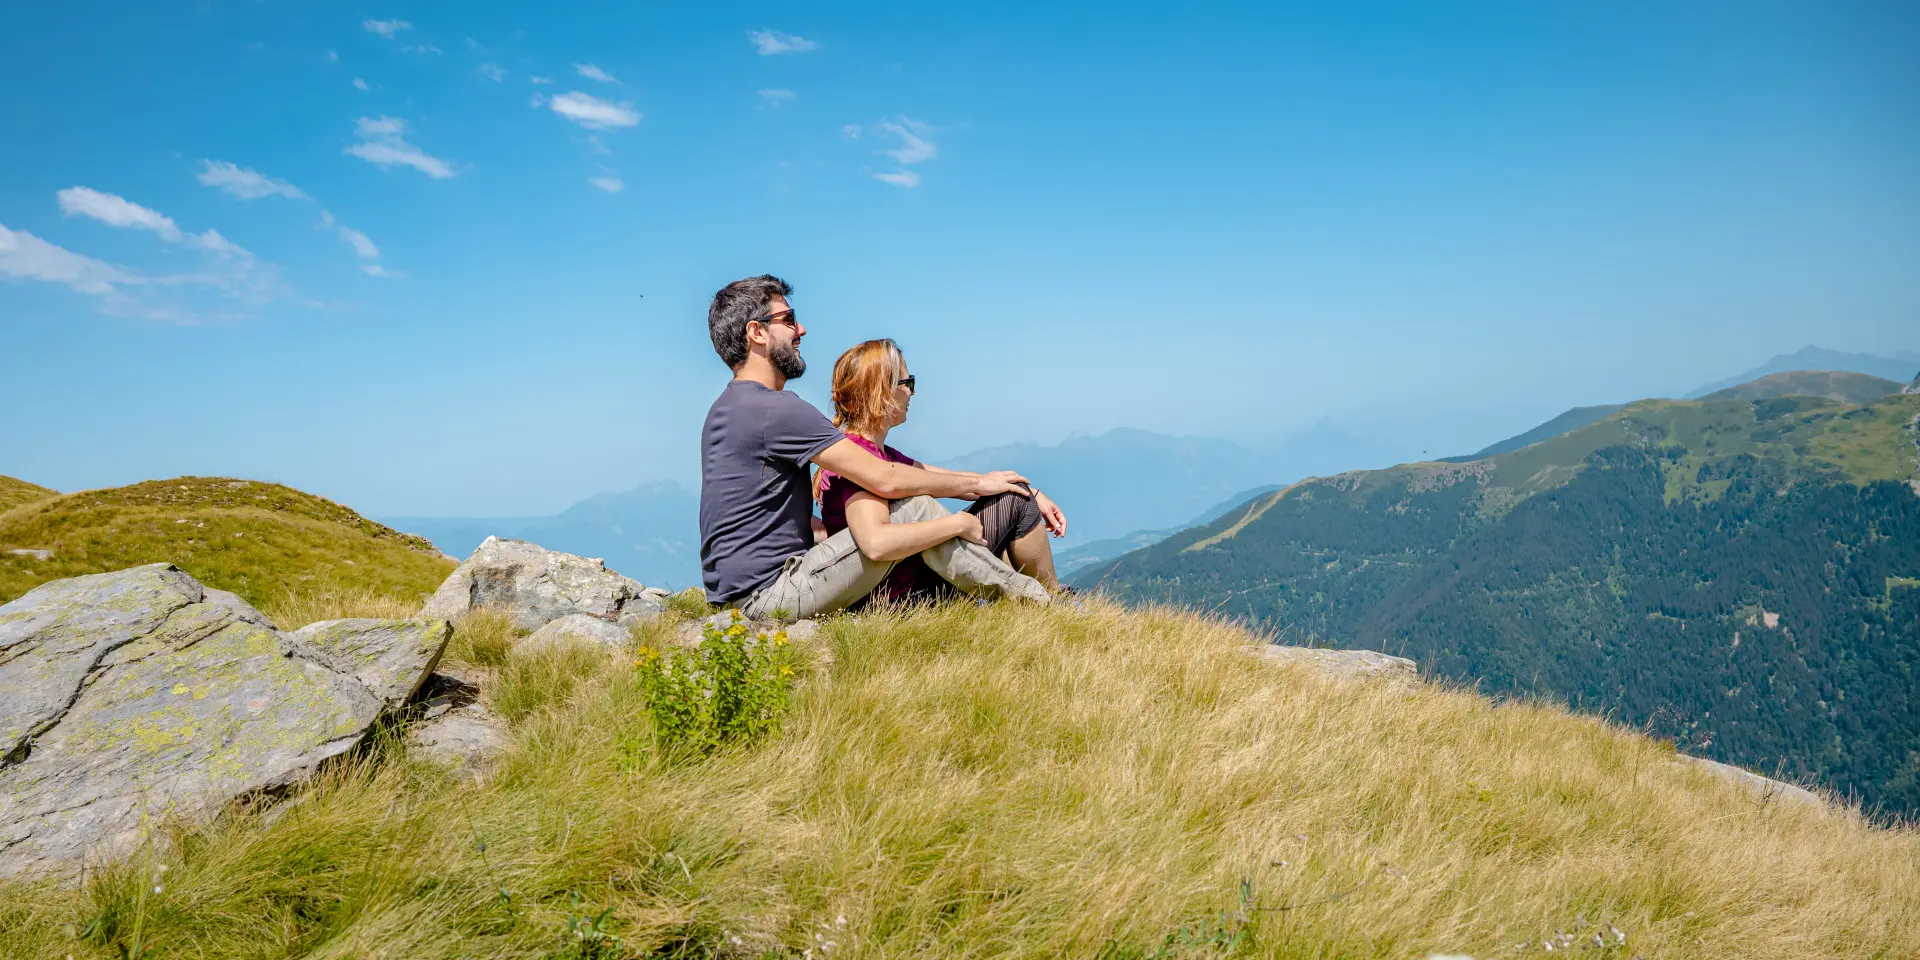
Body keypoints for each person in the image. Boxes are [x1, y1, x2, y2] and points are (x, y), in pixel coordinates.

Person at [698, 274, 1052, 621]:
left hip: (737, 596)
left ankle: (1029, 601)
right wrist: (973, 493)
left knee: (916, 507)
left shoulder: (726, 410)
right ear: (756, 332)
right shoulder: (774, 409)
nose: (800, 330)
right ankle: (1042, 605)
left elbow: (763, 521)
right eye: (788, 319)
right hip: (769, 595)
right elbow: (885, 478)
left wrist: (1001, 485)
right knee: (915, 508)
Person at [815, 339, 1066, 609]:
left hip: (909, 585)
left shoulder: (875, 455)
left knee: (1017, 495)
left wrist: (1028, 490)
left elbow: (952, 482)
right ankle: (1056, 606)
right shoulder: (860, 462)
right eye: (906, 383)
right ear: (882, 392)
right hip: (902, 600)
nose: (912, 393)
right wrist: (957, 525)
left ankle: (1042, 604)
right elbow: (876, 543)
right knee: (1017, 503)